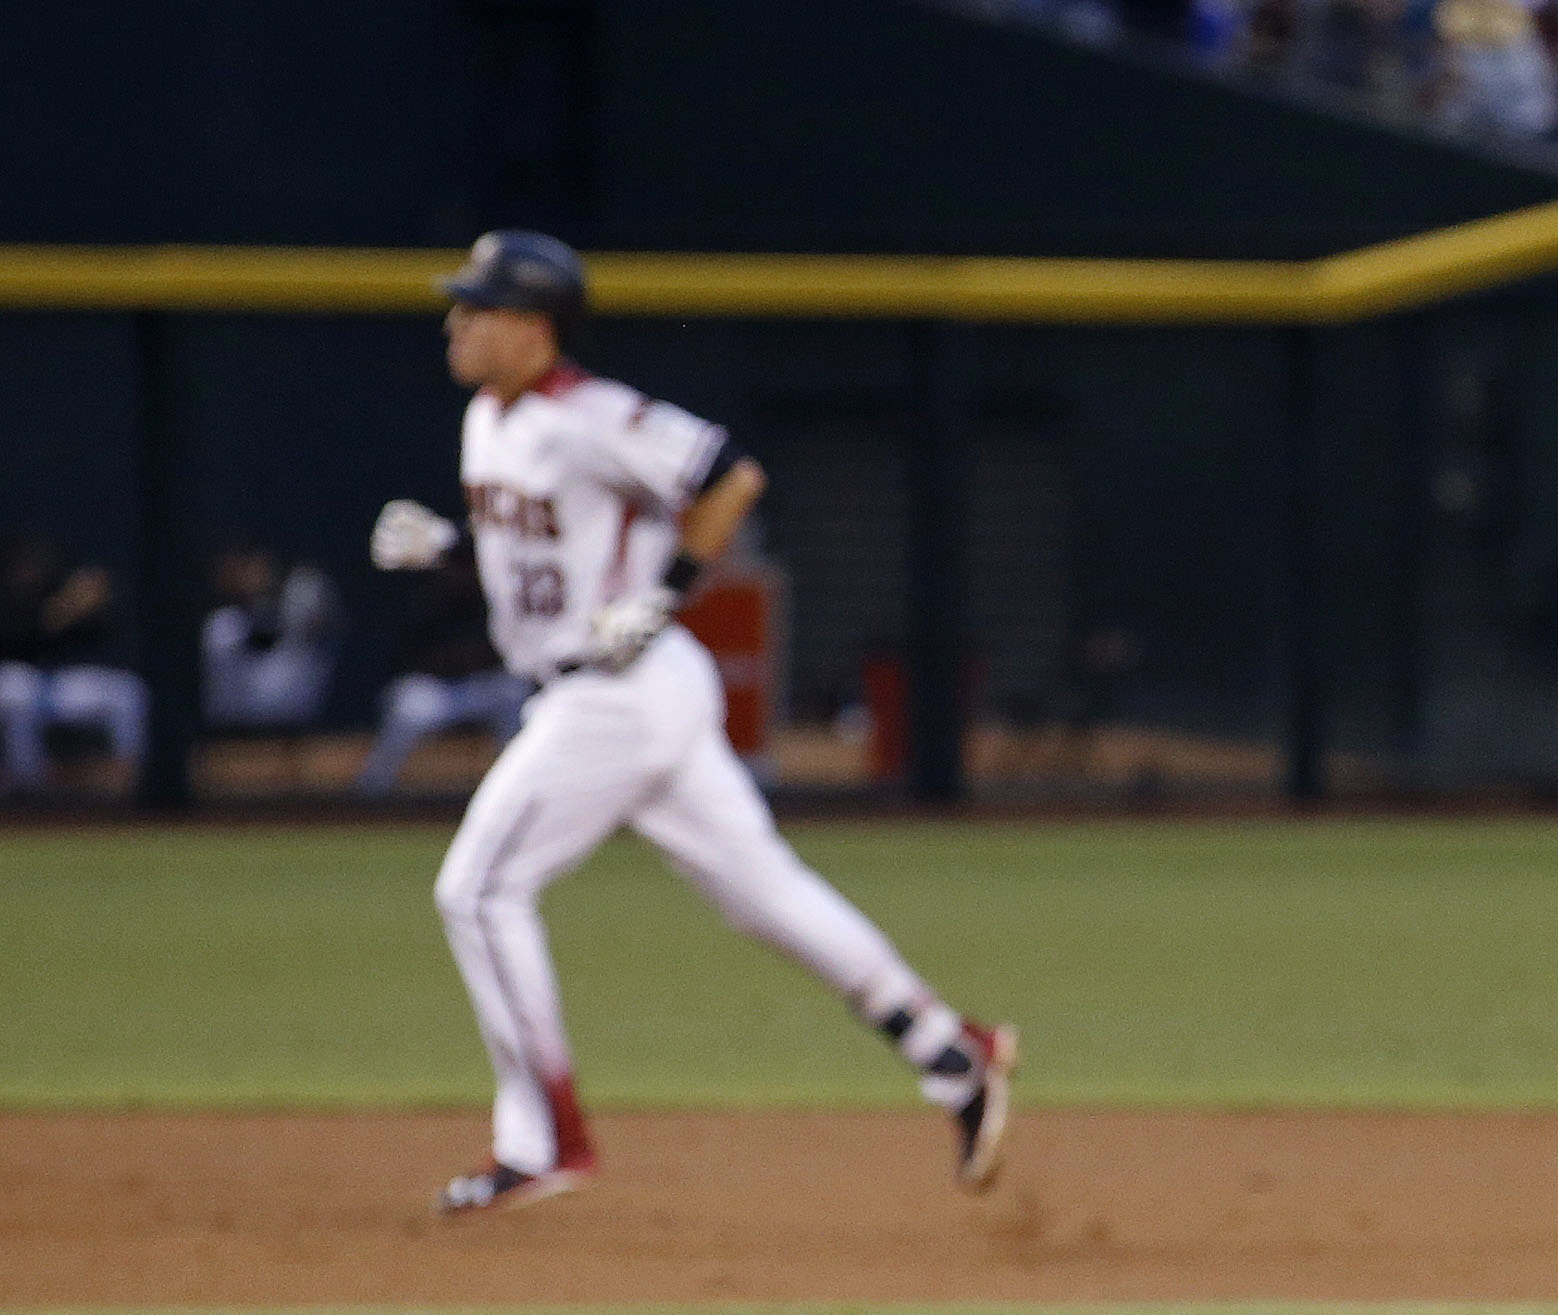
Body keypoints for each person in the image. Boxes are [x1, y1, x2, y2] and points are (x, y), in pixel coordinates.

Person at [379, 230, 1016, 1214]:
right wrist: (450, 549)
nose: (455, 321)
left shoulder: (591, 413)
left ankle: (546, 1139)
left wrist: (669, 589)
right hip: (613, 689)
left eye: (479, 306)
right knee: (762, 892)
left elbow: (730, 476)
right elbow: (542, 559)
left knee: (477, 890)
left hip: (616, 690)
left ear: (535, 326)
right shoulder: (484, 421)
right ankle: (949, 1050)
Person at [354, 542, 530, 794]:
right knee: (407, 703)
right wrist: (449, 662)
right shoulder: (429, 602)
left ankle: (517, 785)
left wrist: (476, 659)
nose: (461, 573)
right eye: (455, 566)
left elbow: (510, 652)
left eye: (466, 566)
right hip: (440, 691)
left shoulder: (490, 601)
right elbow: (406, 658)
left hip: (479, 687)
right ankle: (372, 789)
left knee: (514, 691)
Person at [0, 536, 144, 795]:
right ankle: (28, 785)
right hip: (23, 681)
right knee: (18, 696)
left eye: (35, 566)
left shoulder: (67, 595)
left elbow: (107, 642)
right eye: (24, 566)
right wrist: (64, 609)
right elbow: (18, 643)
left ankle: (128, 781)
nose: (29, 572)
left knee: (129, 692)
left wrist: (88, 605)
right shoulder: (17, 601)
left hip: (66, 684)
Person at [200, 542, 340, 732]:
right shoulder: (223, 625)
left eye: (253, 566)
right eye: (237, 568)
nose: (249, 575)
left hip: (300, 727)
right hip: (232, 732)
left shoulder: (296, 605)